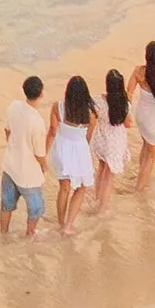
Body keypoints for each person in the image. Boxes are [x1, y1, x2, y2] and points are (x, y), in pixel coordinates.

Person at [0, 73, 49, 238]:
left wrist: (14, 145)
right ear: (41, 93)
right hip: (28, 174)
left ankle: (3, 234)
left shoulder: (13, 106)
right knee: (36, 208)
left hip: (10, 165)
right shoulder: (37, 122)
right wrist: (44, 166)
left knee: (6, 205)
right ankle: (30, 234)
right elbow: (39, 153)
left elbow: (7, 131)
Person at [50, 74, 98, 233]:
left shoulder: (58, 107)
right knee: (81, 188)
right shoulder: (90, 114)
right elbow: (88, 137)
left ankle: (60, 222)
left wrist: (44, 151)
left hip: (61, 148)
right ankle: (68, 225)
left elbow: (52, 131)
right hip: (79, 150)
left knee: (64, 188)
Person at [128, 38, 155, 191]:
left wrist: (126, 113)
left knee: (145, 146)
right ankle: (140, 189)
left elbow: (129, 92)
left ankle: (139, 174)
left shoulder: (138, 72)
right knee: (151, 157)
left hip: (141, 115)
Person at [91, 68, 133, 208]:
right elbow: (128, 124)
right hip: (115, 141)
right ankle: (102, 208)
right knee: (109, 176)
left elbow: (92, 117)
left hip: (101, 138)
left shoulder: (98, 101)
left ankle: (97, 199)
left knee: (101, 168)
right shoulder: (125, 104)